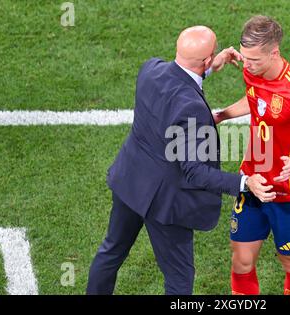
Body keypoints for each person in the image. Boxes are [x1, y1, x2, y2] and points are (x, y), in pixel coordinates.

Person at [86, 25, 276, 295]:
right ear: (207, 60)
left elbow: (175, 81)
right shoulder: (193, 110)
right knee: (179, 277)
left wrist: (210, 67)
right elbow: (195, 172)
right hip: (165, 202)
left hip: (130, 182)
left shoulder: (149, 70)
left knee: (111, 251)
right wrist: (245, 183)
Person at [214, 16, 290, 295]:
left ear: (274, 53)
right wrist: (221, 115)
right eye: (244, 58)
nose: (247, 65)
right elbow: (256, 99)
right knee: (241, 259)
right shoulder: (251, 70)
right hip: (252, 179)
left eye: (254, 59)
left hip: (289, 188)